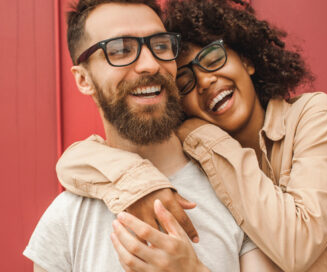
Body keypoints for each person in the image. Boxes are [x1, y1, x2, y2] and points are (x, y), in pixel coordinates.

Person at [56, 0, 327, 271]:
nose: (205, 82)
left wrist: (199, 131)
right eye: (187, 79)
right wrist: (143, 187)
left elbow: (298, 245)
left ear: (246, 58)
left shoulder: (313, 116)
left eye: (213, 58)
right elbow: (73, 162)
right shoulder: (195, 157)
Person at [23, 0, 279, 271]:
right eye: (120, 49)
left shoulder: (236, 187)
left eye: (160, 46)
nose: (150, 64)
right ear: (83, 79)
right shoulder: (66, 219)